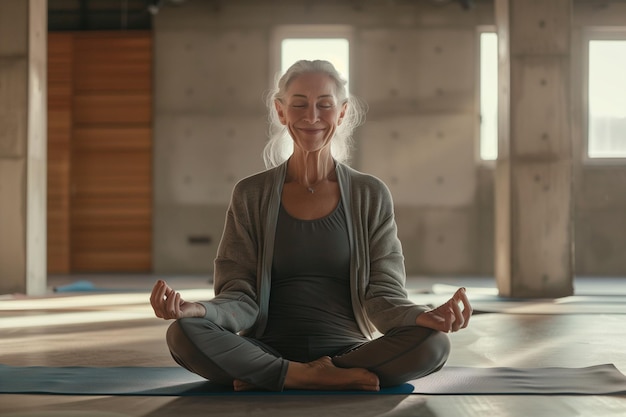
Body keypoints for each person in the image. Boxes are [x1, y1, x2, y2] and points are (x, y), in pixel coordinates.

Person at [150, 59, 472, 392]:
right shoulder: (251, 194)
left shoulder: (369, 194)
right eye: (299, 104)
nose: (312, 116)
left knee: (434, 343)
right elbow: (239, 295)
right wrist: (198, 309)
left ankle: (281, 375)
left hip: (350, 352)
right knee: (183, 333)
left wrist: (423, 316)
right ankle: (309, 376)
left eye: (325, 105)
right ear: (281, 111)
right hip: (266, 347)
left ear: (342, 113)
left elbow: (383, 295)